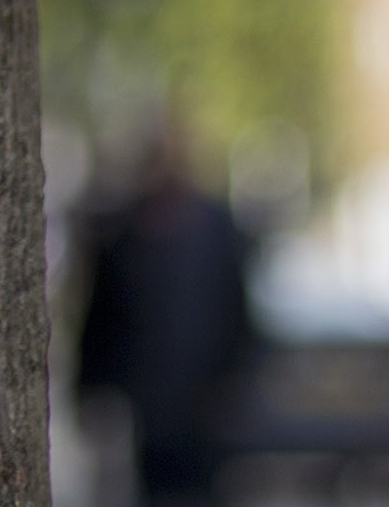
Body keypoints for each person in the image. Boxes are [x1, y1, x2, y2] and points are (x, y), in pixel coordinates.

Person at [75, 121, 257, 505]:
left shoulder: (216, 228)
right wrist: (91, 391)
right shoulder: (122, 233)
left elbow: (239, 313)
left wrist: (236, 381)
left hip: (205, 407)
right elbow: (101, 317)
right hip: (148, 408)